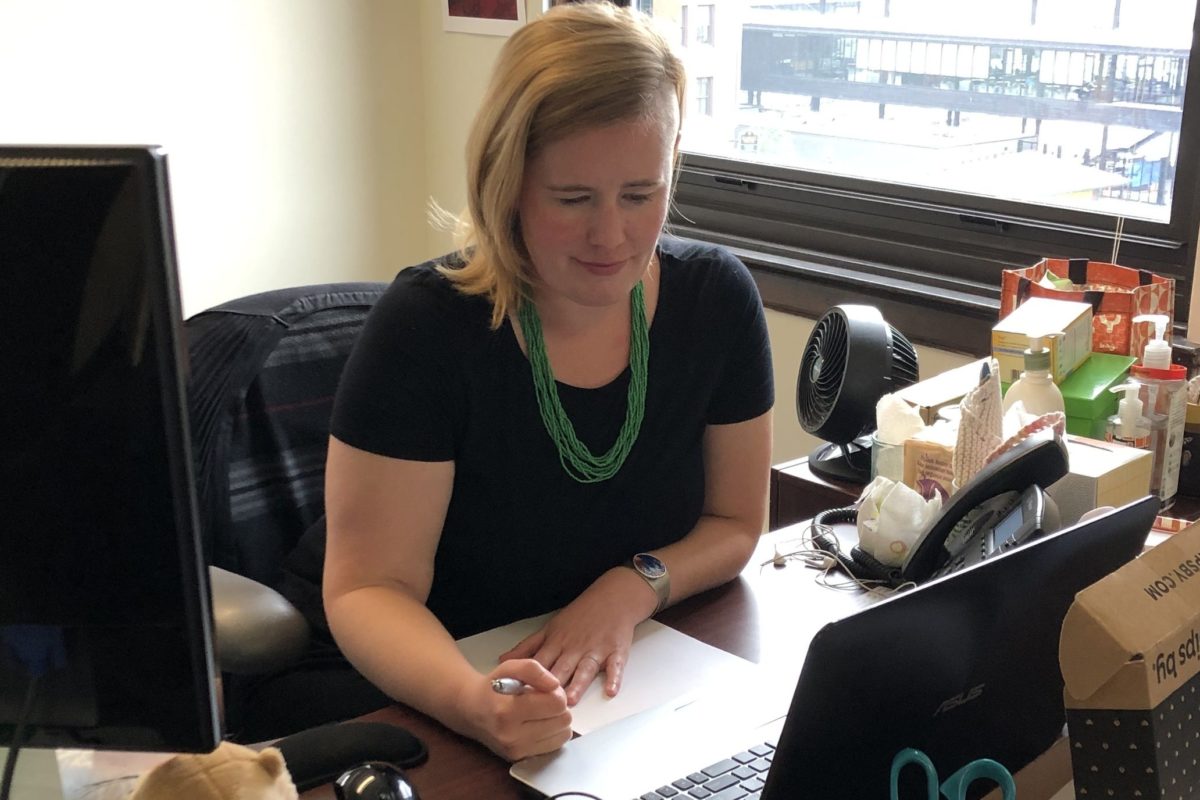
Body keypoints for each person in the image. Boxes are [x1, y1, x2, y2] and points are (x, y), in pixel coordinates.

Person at [322, 1, 774, 762]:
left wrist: (628, 590)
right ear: (509, 183)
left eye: (641, 194)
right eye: (573, 199)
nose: (612, 235)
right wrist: (474, 701)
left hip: (615, 680)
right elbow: (368, 589)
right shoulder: (427, 328)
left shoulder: (717, 301)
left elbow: (736, 524)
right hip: (431, 680)